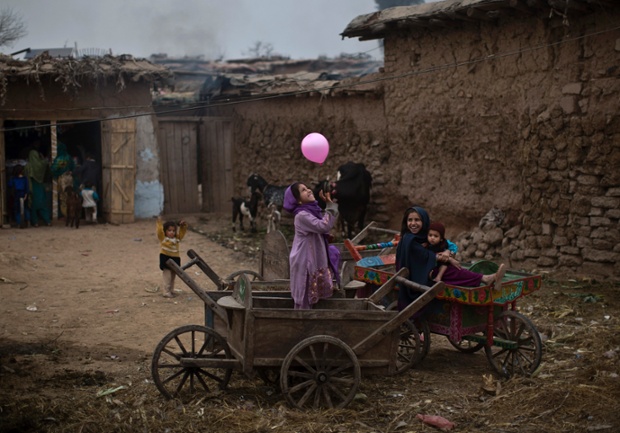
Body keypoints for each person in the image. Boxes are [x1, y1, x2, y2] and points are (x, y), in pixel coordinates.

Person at [283, 182, 341, 310]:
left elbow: (321, 226)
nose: (309, 190)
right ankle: (301, 323)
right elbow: (323, 225)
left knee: (311, 292)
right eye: (303, 190)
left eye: (307, 188)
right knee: (305, 293)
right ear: (298, 201)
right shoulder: (302, 215)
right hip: (305, 261)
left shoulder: (311, 211)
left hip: (311, 257)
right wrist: (330, 204)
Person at [427, 221, 504, 286]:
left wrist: (449, 252)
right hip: (434, 269)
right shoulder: (427, 245)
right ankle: (484, 278)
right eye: (430, 235)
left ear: (441, 238)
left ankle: (484, 278)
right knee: (456, 272)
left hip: (444, 265)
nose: (432, 238)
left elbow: (453, 248)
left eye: (435, 236)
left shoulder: (443, 244)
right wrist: (447, 258)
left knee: (459, 270)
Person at [156, 217, 188, 298]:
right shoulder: (163, 239)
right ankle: (166, 292)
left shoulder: (176, 239)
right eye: (169, 230)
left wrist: (183, 226)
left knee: (173, 276)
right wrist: (159, 222)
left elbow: (182, 233)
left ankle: (171, 290)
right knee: (167, 276)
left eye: (173, 231)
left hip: (175, 259)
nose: (171, 233)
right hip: (165, 258)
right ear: (165, 231)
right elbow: (159, 231)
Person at [25, 141, 52, 227]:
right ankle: (47, 221)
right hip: (40, 186)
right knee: (43, 204)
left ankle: (35, 222)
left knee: (33, 206)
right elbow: (43, 164)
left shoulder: (27, 166)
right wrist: (45, 159)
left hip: (32, 187)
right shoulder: (41, 163)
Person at [51, 141, 76, 218]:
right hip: (70, 177)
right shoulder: (69, 157)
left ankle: (66, 214)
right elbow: (73, 167)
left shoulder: (59, 159)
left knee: (63, 197)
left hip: (62, 179)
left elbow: (53, 169)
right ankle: (72, 213)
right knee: (71, 195)